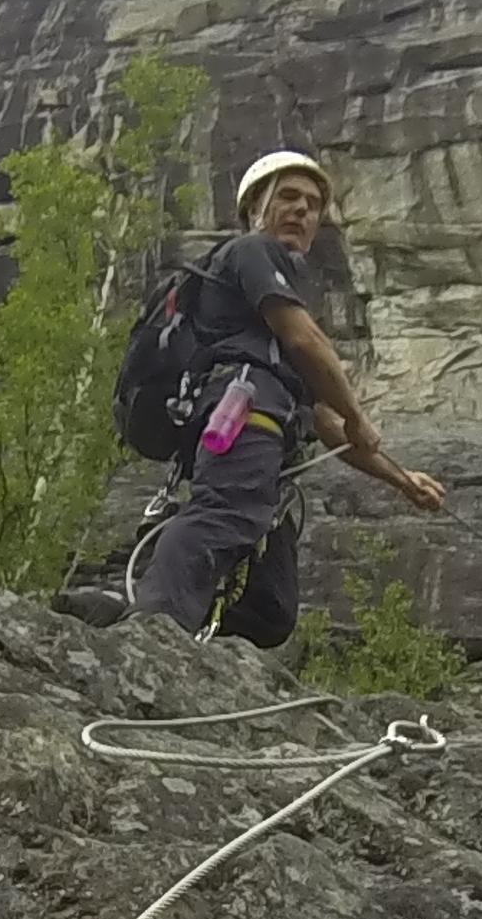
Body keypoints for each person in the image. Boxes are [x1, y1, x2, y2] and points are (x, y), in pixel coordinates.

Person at [127, 148, 447, 645]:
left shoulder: (259, 304)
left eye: (313, 203)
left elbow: (321, 419)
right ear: (256, 206)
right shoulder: (254, 251)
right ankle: (151, 631)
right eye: (289, 197)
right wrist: (358, 413)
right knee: (223, 515)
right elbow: (306, 342)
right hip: (244, 410)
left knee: (269, 609)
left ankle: (137, 627)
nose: (303, 210)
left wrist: (402, 480)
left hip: (263, 424)